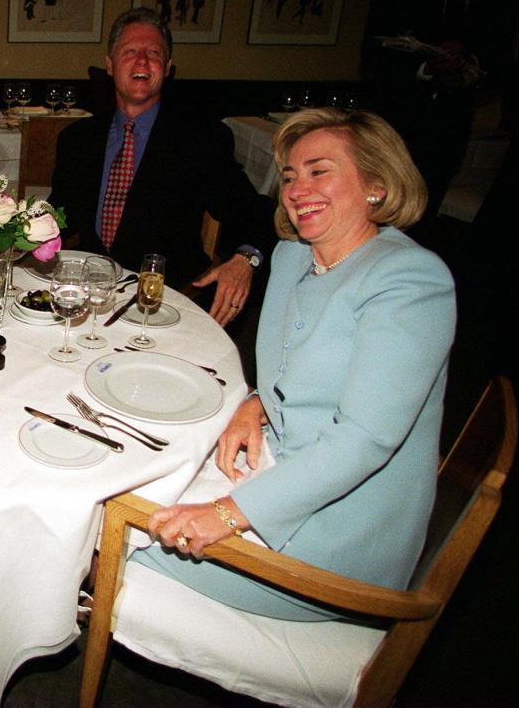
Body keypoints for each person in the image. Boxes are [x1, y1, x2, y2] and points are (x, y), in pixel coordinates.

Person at [138, 108, 456, 620]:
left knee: (111, 529)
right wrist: (258, 402)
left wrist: (228, 514)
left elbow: (366, 439)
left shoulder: (411, 280)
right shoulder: (290, 257)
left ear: (375, 184)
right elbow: (307, 369)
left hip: (336, 539)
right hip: (272, 471)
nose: (296, 189)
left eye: (319, 171)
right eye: (289, 176)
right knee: (128, 472)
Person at [48, 7, 276, 327]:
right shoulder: (78, 138)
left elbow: (251, 211)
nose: (142, 61)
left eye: (153, 53)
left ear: (166, 69)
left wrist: (246, 258)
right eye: (130, 51)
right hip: (91, 297)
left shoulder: (201, 139)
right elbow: (60, 215)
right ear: (110, 65)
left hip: (164, 301)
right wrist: (10, 231)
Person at [361, 0, 519, 218]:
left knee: (422, 218)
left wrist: (468, 67)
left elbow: (500, 72)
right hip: (392, 126)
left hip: (447, 133)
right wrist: (426, 67)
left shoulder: (500, 1)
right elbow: (374, 57)